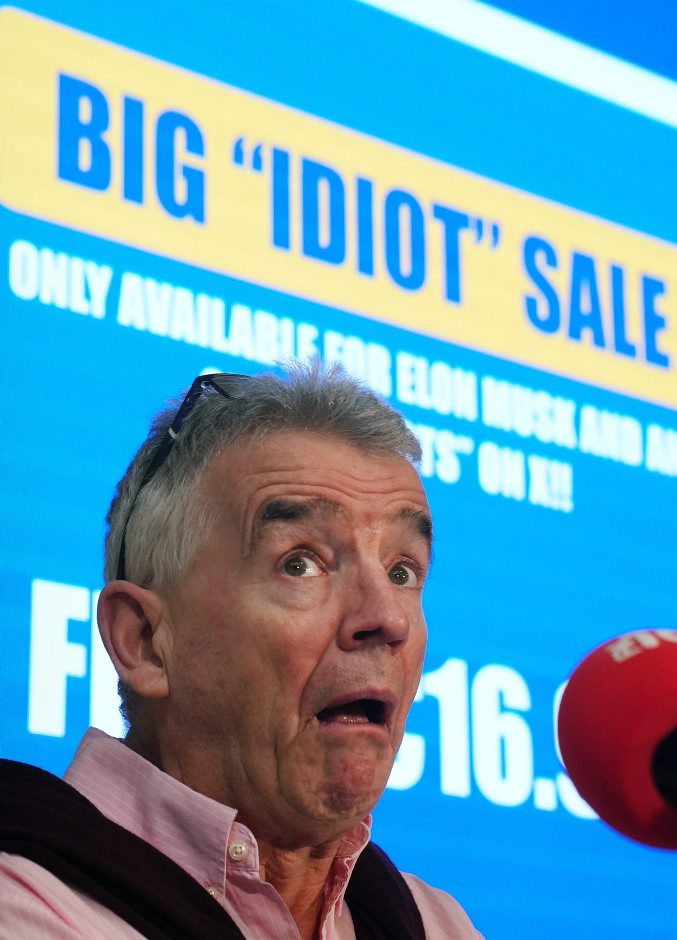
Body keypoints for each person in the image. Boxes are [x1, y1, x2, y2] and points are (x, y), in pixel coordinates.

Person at [0, 363, 482, 939]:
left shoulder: (439, 924)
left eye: (402, 572)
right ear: (145, 641)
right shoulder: (25, 907)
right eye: (299, 563)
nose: (388, 618)